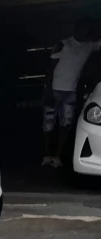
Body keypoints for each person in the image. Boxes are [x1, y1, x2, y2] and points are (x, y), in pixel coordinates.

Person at [43, 19, 101, 168]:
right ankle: (47, 155)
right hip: (55, 90)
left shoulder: (88, 46)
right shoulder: (63, 44)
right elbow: (50, 69)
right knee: (49, 125)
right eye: (81, 28)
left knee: (65, 125)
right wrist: (48, 89)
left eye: (87, 29)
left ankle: (57, 156)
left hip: (71, 92)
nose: (84, 32)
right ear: (76, 29)